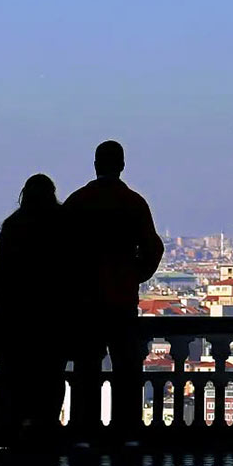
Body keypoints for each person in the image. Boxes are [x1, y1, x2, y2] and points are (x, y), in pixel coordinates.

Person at [63, 140, 163, 444]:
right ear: (121, 166)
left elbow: (58, 249)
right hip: (121, 299)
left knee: (86, 369)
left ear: (95, 165)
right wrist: (134, 275)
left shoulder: (78, 202)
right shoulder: (133, 202)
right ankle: (126, 431)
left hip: (85, 301)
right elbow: (153, 247)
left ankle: (85, 430)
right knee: (126, 368)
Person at [0, 173, 67, 444]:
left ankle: (18, 432)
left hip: (17, 317)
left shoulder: (13, 226)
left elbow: (0, 276)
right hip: (52, 317)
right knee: (50, 379)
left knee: (17, 381)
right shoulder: (62, 223)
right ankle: (46, 428)